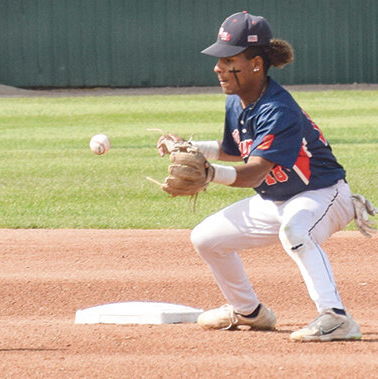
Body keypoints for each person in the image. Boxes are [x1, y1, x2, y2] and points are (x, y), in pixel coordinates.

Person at [157, 11, 375, 341]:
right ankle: (249, 312)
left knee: (296, 231)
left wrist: (209, 173)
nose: (218, 67)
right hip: (278, 200)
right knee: (206, 238)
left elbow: (256, 171)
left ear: (256, 63)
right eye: (219, 58)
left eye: (228, 59)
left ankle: (336, 317)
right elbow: (236, 147)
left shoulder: (279, 108)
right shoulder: (238, 100)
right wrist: (191, 146)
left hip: (322, 195)